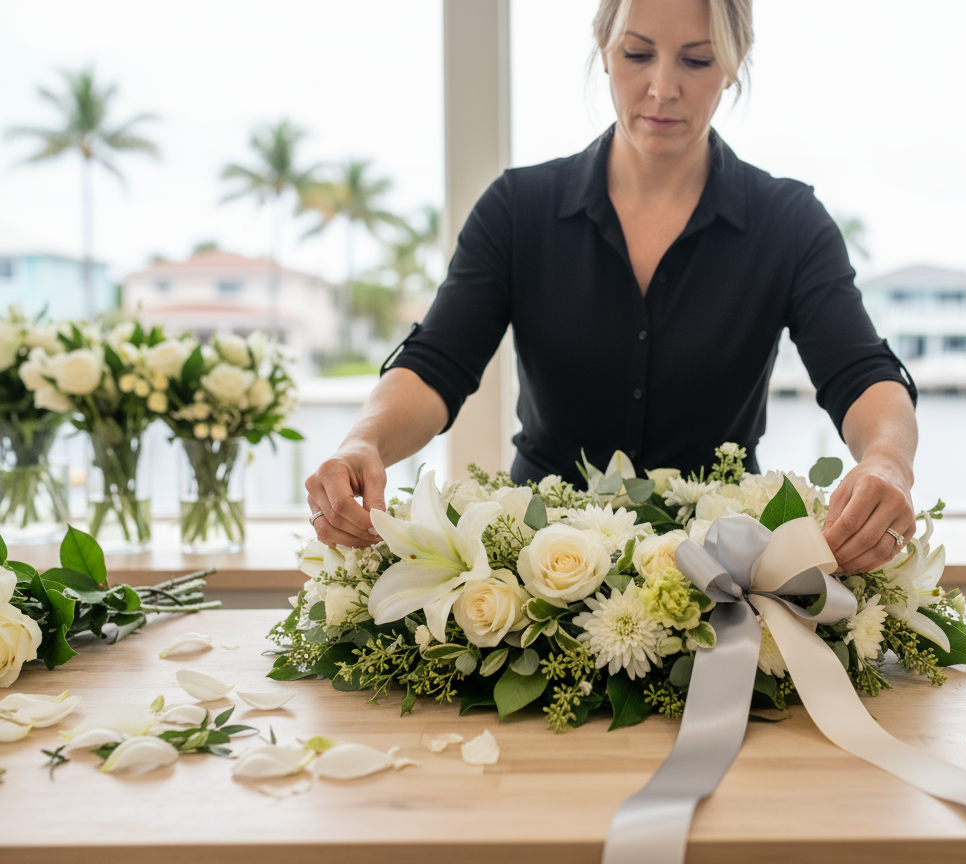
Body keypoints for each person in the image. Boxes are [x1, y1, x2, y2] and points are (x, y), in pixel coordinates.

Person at [305, 0, 919, 575]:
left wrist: (887, 460)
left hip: (727, 579)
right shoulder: (519, 210)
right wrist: (365, 443)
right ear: (603, 46)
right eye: (637, 54)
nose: (662, 88)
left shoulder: (789, 221)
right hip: (536, 579)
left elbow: (860, 372)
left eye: (697, 60)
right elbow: (437, 363)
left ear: (734, 63)